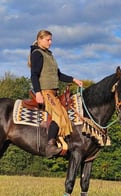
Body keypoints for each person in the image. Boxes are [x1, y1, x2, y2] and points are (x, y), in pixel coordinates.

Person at [28, 29, 83, 158]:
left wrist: (73, 79)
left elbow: (58, 74)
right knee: (58, 116)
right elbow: (34, 75)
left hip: (53, 92)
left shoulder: (49, 55)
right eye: (48, 40)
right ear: (40, 39)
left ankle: (63, 142)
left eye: (51, 40)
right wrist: (38, 93)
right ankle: (50, 146)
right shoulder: (37, 54)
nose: (50, 42)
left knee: (65, 115)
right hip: (45, 91)